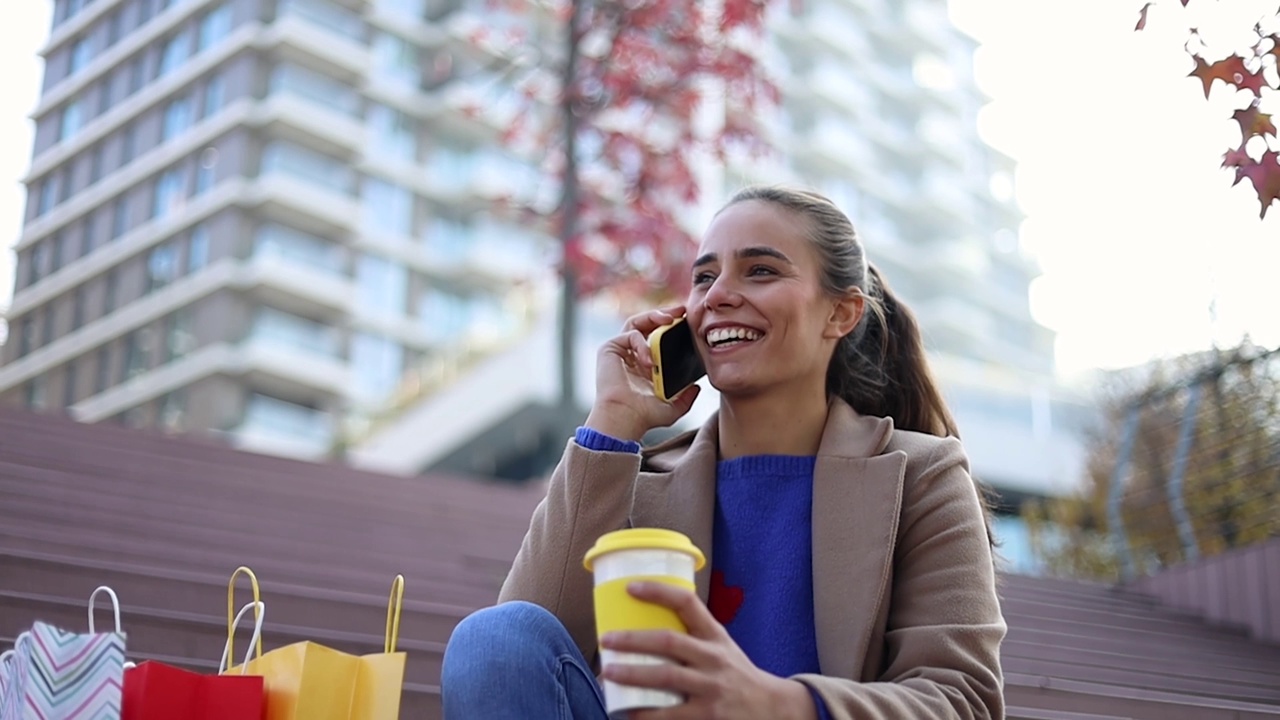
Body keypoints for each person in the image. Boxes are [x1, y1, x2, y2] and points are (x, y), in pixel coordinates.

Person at [440, 186, 1006, 719]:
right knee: (491, 638)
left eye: (760, 271)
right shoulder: (636, 482)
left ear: (841, 313)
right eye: (704, 277)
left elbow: (962, 699)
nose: (718, 296)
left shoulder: (922, 475)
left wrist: (779, 704)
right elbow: (516, 664)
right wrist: (613, 422)